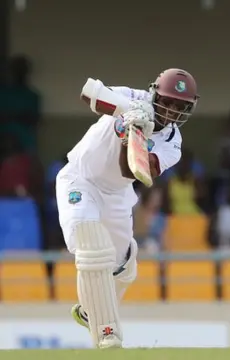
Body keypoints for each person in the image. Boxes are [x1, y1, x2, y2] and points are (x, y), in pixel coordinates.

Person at [55, 69, 198, 348]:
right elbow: (88, 92)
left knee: (123, 266)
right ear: (155, 93)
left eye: (179, 107)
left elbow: (133, 170)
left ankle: (89, 310)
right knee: (91, 245)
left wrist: (131, 135)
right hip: (80, 179)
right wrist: (128, 112)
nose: (171, 111)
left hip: (118, 194)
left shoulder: (173, 143)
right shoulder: (133, 97)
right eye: (167, 102)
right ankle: (107, 333)